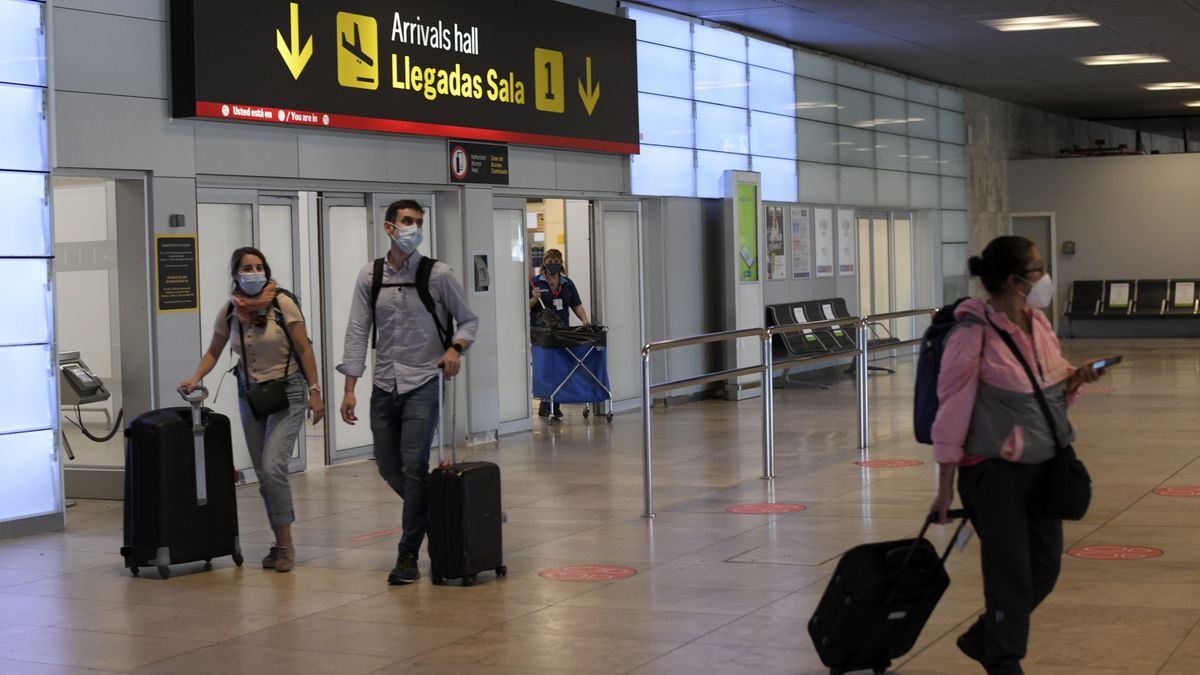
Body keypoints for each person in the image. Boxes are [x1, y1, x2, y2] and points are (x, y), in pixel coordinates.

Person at [929, 236, 1103, 675]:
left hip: (1044, 467)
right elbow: (951, 412)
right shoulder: (972, 335)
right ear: (1013, 280)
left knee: (1044, 569)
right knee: (1010, 574)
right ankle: (1004, 659)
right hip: (993, 474)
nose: (1045, 276)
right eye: (1037, 268)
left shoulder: (1038, 324)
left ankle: (983, 638)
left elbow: (1047, 385)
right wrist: (944, 488)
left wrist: (1075, 378)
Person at [337, 199, 479, 586]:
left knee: (414, 467)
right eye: (407, 221)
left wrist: (455, 349)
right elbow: (357, 332)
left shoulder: (439, 274)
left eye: (418, 222)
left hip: (424, 381)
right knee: (388, 467)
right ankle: (437, 517)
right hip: (385, 383)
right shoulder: (370, 276)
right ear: (389, 227)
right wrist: (349, 388)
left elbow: (468, 320)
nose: (413, 228)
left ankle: (408, 553)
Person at [179, 246, 324, 573]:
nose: (254, 272)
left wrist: (315, 390)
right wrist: (195, 377)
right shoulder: (230, 311)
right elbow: (214, 352)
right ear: (236, 274)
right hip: (251, 396)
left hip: (288, 391)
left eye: (259, 266)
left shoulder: (282, 304)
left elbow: (304, 349)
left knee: (273, 468)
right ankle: (279, 541)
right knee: (263, 474)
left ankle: (286, 546)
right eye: (247, 268)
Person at [528, 248, 590, 418]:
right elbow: (524, 307)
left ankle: (555, 405)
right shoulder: (535, 283)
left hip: (562, 333)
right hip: (542, 335)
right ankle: (545, 404)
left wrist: (585, 320)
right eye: (550, 262)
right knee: (546, 370)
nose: (553, 265)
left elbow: (576, 305)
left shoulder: (567, 284)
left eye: (556, 262)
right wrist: (534, 298)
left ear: (561, 264)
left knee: (561, 369)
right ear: (544, 263)